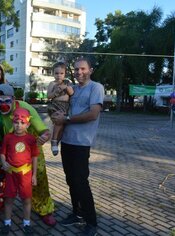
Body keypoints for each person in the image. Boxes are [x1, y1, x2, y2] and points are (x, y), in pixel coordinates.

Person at [0, 84, 56, 226]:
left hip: (29, 145)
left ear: (13, 99)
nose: (3, 105)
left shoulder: (25, 107)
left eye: (7, 101)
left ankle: (44, 209)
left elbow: (42, 129)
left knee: (39, 175)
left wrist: (45, 136)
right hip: (6, 148)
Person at [52, 57, 104, 236]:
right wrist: (56, 137)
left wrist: (65, 119)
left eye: (82, 69)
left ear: (90, 70)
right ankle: (77, 213)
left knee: (81, 182)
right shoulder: (73, 90)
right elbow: (63, 111)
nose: (79, 72)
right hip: (67, 141)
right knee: (70, 180)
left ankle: (92, 223)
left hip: (82, 143)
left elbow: (93, 114)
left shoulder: (96, 88)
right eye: (76, 69)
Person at [0, 108, 39, 235]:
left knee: (26, 199)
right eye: (16, 122)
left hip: (25, 174)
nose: (19, 125)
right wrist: (4, 162)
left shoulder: (31, 139)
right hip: (11, 173)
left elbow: (34, 157)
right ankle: (7, 222)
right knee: (9, 199)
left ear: (27, 124)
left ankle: (26, 223)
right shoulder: (8, 137)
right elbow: (2, 153)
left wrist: (34, 175)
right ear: (12, 123)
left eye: (22, 123)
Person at [47, 62, 74, 156]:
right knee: (58, 122)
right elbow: (49, 96)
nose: (59, 75)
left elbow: (71, 93)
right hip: (55, 106)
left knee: (62, 126)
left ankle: (56, 142)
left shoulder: (67, 82)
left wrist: (66, 87)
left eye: (61, 73)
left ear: (65, 74)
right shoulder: (52, 83)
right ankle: (54, 141)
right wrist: (55, 92)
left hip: (65, 106)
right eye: (56, 73)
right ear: (53, 73)